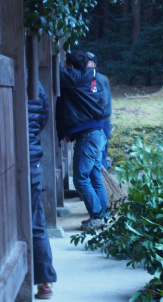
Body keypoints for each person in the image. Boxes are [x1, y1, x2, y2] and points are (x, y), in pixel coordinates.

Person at [56, 50, 108, 230]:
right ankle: (103, 216)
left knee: (80, 178)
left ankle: (97, 216)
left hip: (89, 135)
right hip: (96, 133)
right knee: (94, 175)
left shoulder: (75, 77)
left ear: (71, 66)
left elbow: (57, 71)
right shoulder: (87, 76)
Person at [28, 81, 58, 299]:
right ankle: (45, 283)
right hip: (32, 160)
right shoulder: (34, 83)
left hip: (13, 160)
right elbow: (43, 118)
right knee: (36, 222)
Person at [86, 52, 112, 171]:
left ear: (94, 64)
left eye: (88, 61)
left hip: (102, 122)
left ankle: (104, 185)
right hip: (95, 122)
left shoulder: (99, 79)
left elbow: (103, 100)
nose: (85, 63)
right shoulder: (87, 78)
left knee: (100, 154)